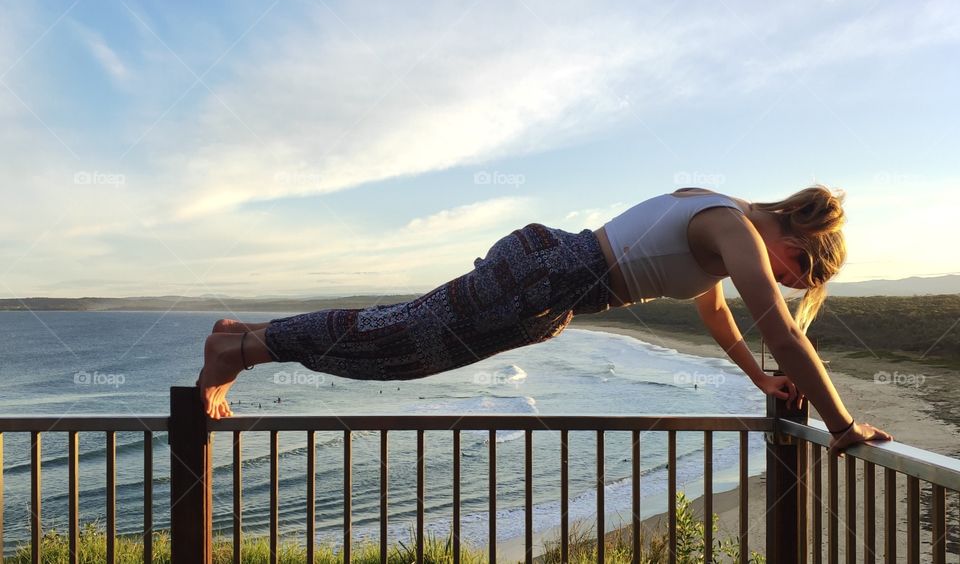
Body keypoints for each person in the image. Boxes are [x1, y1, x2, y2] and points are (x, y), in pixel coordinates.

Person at [197, 184, 893, 458]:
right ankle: (240, 347)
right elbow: (783, 331)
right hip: (546, 272)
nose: (776, 282)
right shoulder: (731, 224)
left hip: (548, 296)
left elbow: (720, 319)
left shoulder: (721, 237)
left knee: (404, 347)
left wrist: (758, 381)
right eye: (789, 274)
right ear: (797, 244)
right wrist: (843, 424)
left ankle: (246, 343)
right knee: (398, 336)